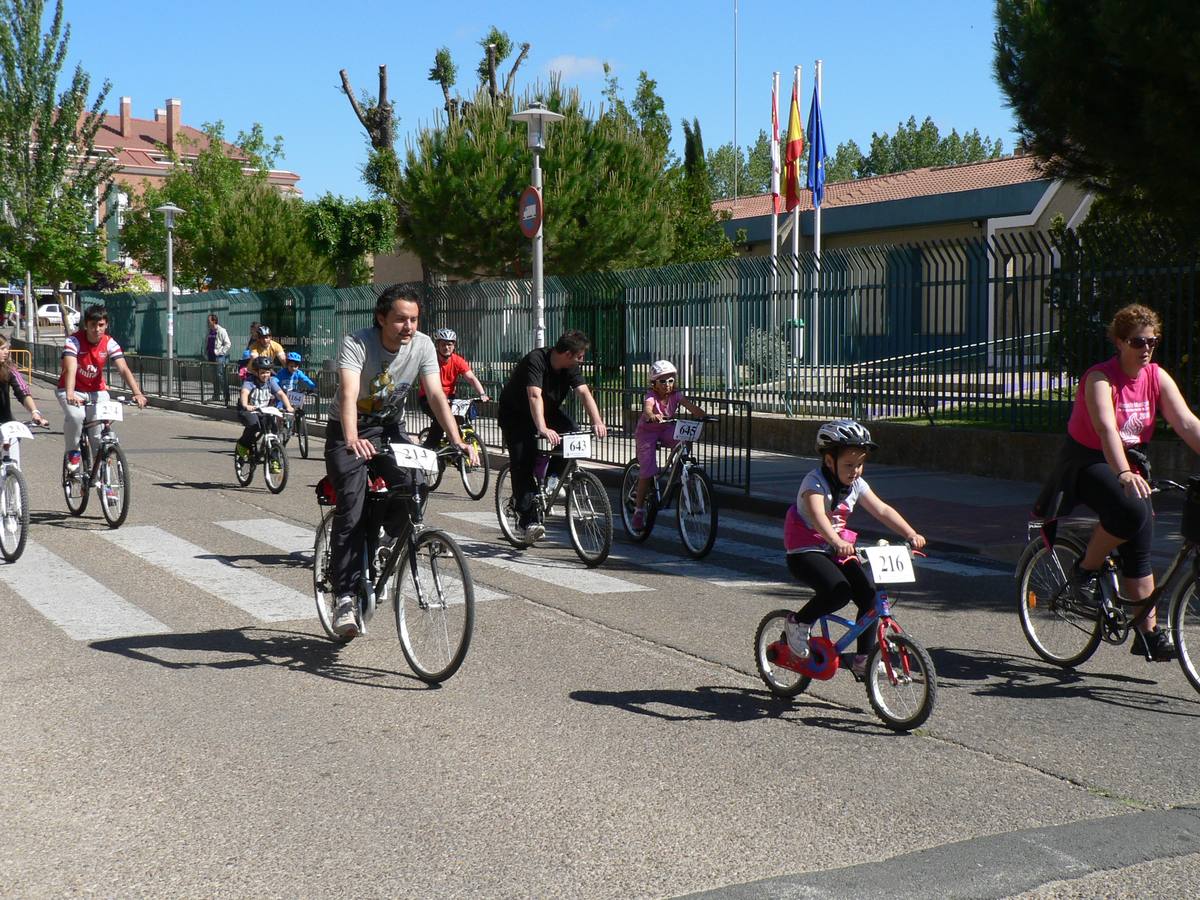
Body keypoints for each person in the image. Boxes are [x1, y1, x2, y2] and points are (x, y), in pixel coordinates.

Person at [1040, 303, 1200, 661]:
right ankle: (1084, 569)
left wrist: (1130, 470)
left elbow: (1187, 423)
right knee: (1129, 510)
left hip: (1129, 461)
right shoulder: (1100, 377)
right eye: (1137, 342)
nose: (1146, 349)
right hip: (1087, 461)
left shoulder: (1156, 377)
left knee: (1140, 541)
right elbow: (1106, 428)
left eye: (1152, 342)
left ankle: (1147, 634)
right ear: (1119, 342)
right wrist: (1124, 473)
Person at [324, 285, 477, 638]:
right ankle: (345, 597)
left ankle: (385, 539)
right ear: (381, 319)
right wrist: (351, 438)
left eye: (414, 319)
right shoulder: (358, 342)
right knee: (352, 506)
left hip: (389, 428)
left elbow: (436, 394)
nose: (408, 327)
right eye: (400, 320)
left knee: (416, 482)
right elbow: (348, 392)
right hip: (348, 429)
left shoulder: (423, 345)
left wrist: (457, 440)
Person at [783, 419, 926, 677]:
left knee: (870, 596)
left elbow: (881, 509)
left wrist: (910, 533)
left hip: (838, 548)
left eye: (860, 464)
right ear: (829, 461)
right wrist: (837, 541)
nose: (856, 470)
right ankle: (798, 623)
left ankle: (863, 660)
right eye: (849, 465)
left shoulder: (856, 484)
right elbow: (818, 516)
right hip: (807, 549)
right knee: (837, 591)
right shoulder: (814, 483)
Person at [496, 330, 608, 542]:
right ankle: (527, 522)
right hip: (516, 415)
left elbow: (584, 393)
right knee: (523, 461)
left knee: (572, 431)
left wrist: (598, 421)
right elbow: (534, 395)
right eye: (580, 356)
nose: (582, 360)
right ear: (567, 353)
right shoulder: (536, 359)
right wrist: (543, 428)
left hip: (546, 411)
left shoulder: (570, 367)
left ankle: (553, 478)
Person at [56, 304, 148, 471]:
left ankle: (105, 483)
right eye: (93, 325)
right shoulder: (73, 341)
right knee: (76, 417)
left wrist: (137, 393)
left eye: (101, 325)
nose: (97, 329)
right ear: (86, 325)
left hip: (97, 391)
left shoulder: (109, 342)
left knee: (99, 437)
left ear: (106, 325)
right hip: (71, 390)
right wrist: (70, 393)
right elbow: (71, 368)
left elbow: (123, 368)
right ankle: (73, 452)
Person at [630, 359, 707, 531]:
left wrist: (705, 416)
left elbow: (690, 406)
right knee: (648, 470)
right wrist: (652, 415)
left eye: (670, 380)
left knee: (683, 439)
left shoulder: (676, 396)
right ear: (654, 383)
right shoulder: (651, 396)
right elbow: (647, 409)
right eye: (662, 381)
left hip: (665, 428)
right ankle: (639, 510)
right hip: (647, 431)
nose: (667, 384)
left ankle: (682, 469)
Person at [419, 327, 489, 449]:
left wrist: (482, 393)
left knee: (458, 419)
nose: (447, 348)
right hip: (429, 397)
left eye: (450, 345)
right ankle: (428, 448)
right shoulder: (430, 360)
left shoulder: (457, 360)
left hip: (449, 397)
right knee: (441, 419)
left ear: (454, 346)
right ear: (437, 345)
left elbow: (471, 378)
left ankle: (456, 445)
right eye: (443, 344)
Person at [235, 356, 294, 469]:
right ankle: (242, 446)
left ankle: (274, 461)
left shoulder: (271, 381)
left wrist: (289, 407)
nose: (265, 375)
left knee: (274, 431)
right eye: (262, 373)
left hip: (263, 411)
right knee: (254, 426)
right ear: (256, 372)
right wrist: (246, 405)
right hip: (248, 410)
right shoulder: (250, 381)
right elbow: (244, 392)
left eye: (267, 372)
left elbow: (281, 394)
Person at [0, 335, 48, 466]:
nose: (6, 352)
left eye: (7, 348)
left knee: (13, 460)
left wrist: (34, 412)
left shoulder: (9, 368)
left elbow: (23, 391)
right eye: (2, 348)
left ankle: (14, 483)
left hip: (5, 421)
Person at [203, 313, 232, 403]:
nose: (208, 322)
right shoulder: (210, 331)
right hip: (211, 356)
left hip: (218, 357)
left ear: (214, 321)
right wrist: (206, 353)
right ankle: (216, 395)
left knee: (220, 376)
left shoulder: (221, 330)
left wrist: (219, 352)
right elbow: (207, 342)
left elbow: (228, 343)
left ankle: (226, 396)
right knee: (214, 376)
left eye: (209, 320)